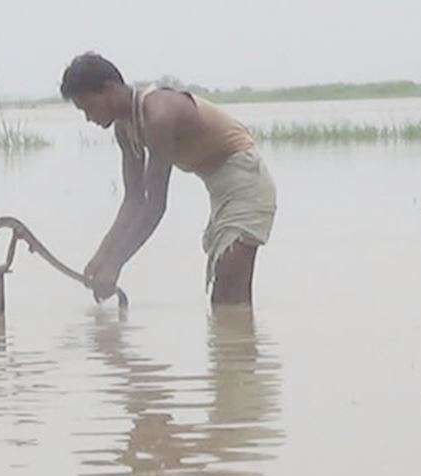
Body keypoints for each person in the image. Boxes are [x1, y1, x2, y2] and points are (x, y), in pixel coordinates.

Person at [60, 52, 277, 305]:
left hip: (246, 183)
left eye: (89, 107)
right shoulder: (124, 129)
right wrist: (102, 255)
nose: (89, 118)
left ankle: (240, 343)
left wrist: (116, 264)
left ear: (108, 89)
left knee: (228, 295)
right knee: (225, 296)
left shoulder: (158, 115)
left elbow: (155, 205)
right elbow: (133, 200)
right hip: (219, 190)